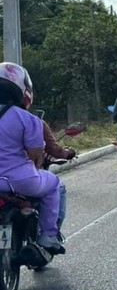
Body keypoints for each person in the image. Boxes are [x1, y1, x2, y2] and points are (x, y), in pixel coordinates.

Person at [0, 62, 64, 253]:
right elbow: (36, 156)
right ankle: (48, 236)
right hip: (19, 181)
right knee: (54, 184)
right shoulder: (27, 119)